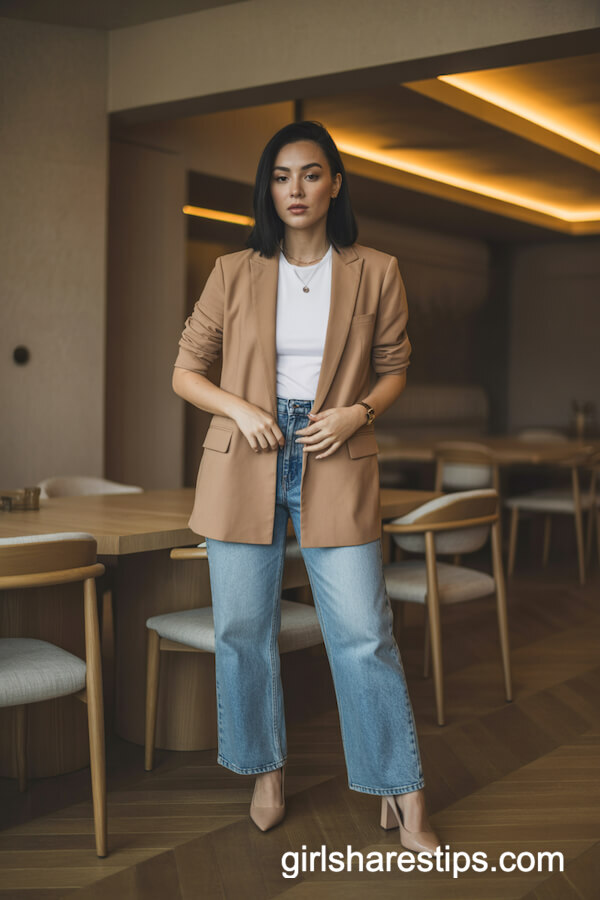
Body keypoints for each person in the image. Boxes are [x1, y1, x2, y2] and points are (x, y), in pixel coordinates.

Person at [172, 120, 441, 852]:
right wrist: (241, 408)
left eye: (311, 173)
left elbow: (394, 368)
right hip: (244, 456)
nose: (296, 188)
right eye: (282, 176)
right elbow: (186, 370)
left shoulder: (376, 270)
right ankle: (265, 772)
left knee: (363, 635)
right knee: (242, 632)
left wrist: (357, 413)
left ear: (335, 183)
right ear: (269, 188)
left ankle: (402, 791)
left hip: (336, 453)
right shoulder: (233, 270)